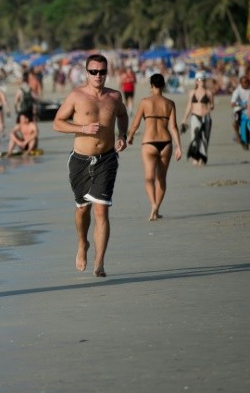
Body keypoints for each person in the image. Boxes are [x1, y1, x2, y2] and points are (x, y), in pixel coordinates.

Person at [52, 53, 128, 277]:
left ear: (107, 72)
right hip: (80, 161)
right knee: (82, 209)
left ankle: (99, 262)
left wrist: (121, 135)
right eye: (93, 72)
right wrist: (82, 129)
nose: (98, 76)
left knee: (101, 211)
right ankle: (82, 244)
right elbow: (57, 123)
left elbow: (122, 115)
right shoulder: (76, 96)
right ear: (87, 73)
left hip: (106, 159)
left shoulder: (114, 97)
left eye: (102, 72)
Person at [127, 73, 183, 221]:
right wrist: (179, 146)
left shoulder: (145, 102)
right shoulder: (170, 103)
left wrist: (130, 136)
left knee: (149, 178)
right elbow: (173, 126)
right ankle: (157, 209)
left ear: (151, 85)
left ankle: (153, 204)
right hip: (166, 143)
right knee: (161, 179)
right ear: (163, 85)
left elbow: (136, 123)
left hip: (149, 143)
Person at [178, 72, 214, 165]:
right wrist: (184, 118)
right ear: (196, 81)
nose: (201, 81)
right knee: (194, 137)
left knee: (205, 138)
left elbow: (212, 105)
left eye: (202, 79)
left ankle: (202, 158)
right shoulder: (192, 92)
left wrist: (210, 107)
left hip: (206, 116)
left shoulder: (209, 93)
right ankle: (195, 157)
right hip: (195, 116)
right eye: (199, 79)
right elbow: (189, 106)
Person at [229, 75, 250, 149]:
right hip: (239, 109)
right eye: (244, 82)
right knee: (235, 120)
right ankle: (237, 135)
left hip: (249, 109)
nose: (246, 83)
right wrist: (239, 105)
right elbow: (232, 103)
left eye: (247, 82)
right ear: (241, 83)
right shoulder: (237, 91)